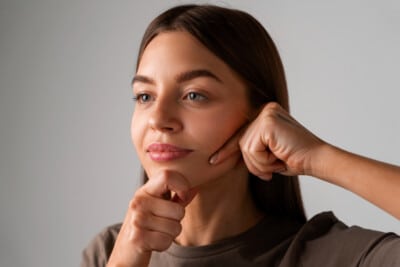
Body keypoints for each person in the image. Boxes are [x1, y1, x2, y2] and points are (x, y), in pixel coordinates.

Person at [81, 4, 400, 267]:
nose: (159, 119)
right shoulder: (111, 251)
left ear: (259, 115)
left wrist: (319, 156)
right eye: (144, 96)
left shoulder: (333, 257)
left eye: (194, 95)